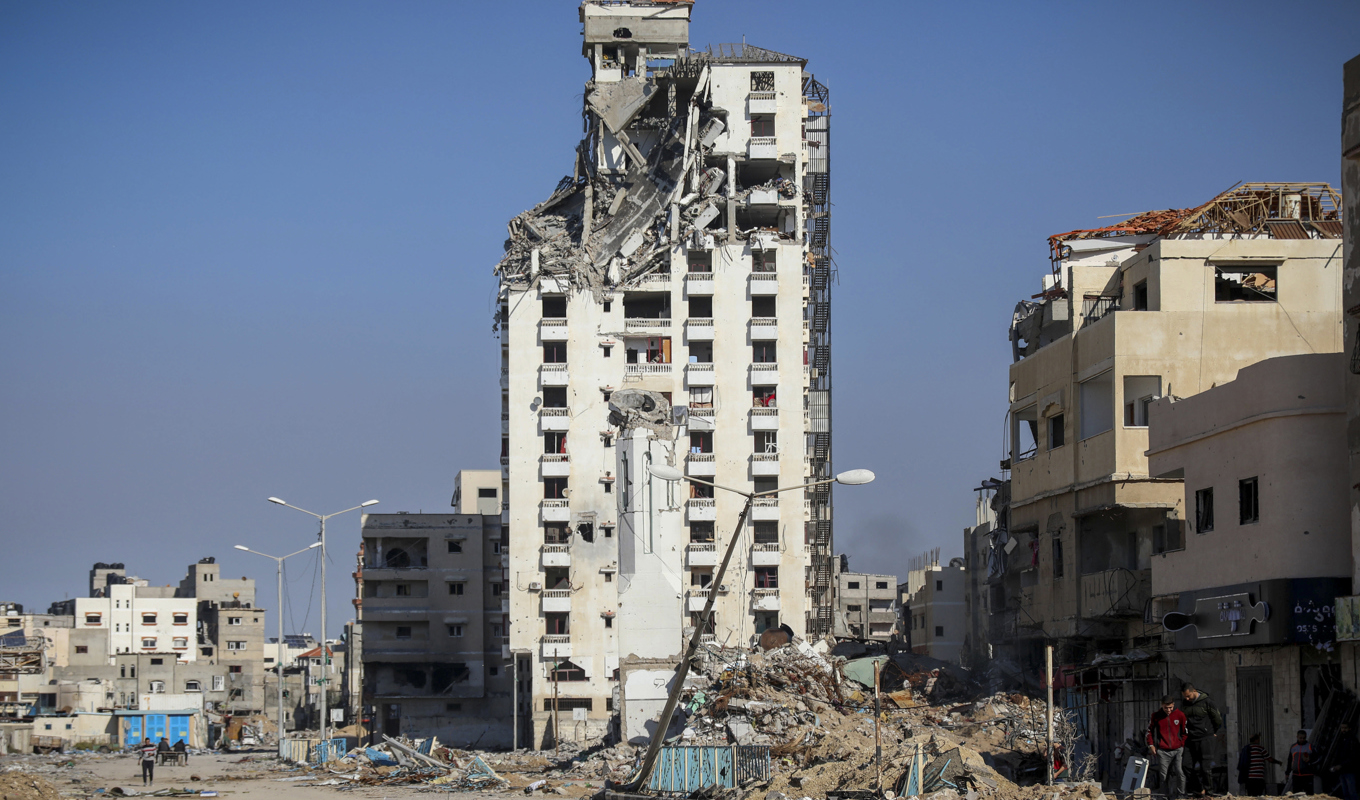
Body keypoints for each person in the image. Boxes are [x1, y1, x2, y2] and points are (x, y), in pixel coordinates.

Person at [1181, 684, 1222, 796]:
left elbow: (1217, 718)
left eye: (1188, 696)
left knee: (1205, 768)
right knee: (1186, 765)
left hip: (1205, 738)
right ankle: (1199, 789)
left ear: (1194, 691)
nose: (1187, 699)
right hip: (1191, 739)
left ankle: (1209, 793)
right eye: (1185, 697)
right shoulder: (1185, 703)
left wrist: (1213, 731)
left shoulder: (1207, 702)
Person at [1149, 694, 1188, 799]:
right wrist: (1151, 745)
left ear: (1173, 705)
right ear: (1162, 705)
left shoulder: (1180, 715)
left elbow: (1185, 732)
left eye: (1170, 707)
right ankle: (1165, 796)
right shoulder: (1156, 716)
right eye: (1166, 708)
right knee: (1163, 775)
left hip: (1177, 749)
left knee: (1180, 773)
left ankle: (1181, 796)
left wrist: (1182, 744)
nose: (1168, 710)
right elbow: (1149, 731)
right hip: (1163, 750)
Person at [1330, 722, 1360, 800]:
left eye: (1345, 728)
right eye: (1342, 728)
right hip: (1342, 771)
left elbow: (1353, 757)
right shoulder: (1341, 739)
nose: (1343, 730)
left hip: (1350, 770)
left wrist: (1341, 765)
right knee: (1345, 793)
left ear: (1349, 729)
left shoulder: (1352, 740)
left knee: (1352, 792)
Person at [1288, 730, 1316, 795]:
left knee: (1309, 795)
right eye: (1300, 738)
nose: (1302, 740)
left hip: (1307, 775)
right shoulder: (1293, 747)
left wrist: (1310, 759)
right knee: (1297, 795)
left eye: (1304, 738)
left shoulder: (1310, 746)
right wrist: (1287, 772)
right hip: (1296, 775)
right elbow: (1289, 760)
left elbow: (1317, 758)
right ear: (1297, 737)